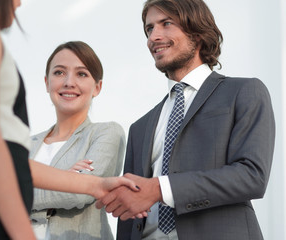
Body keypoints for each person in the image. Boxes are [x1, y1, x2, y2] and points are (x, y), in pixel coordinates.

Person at [0, 1, 138, 239]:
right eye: (59, 72)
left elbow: (12, 162)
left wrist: (94, 185)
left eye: (81, 73)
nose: (19, 2)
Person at [96, 0, 275, 239]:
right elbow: (129, 212)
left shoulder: (243, 91)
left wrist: (160, 188)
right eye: (149, 29)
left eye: (166, 24)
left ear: (197, 32)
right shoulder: (139, 128)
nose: (154, 37)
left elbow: (252, 176)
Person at [29, 41, 125, 240]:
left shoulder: (105, 133)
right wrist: (67, 178)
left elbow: (78, 194)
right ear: (47, 83)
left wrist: (15, 192)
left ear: (97, 87)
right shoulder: (24, 145)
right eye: (59, 73)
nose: (69, 82)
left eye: (81, 74)